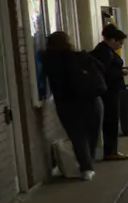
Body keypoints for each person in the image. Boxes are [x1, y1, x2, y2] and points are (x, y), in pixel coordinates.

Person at [45, 31, 105, 180]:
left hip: (66, 104)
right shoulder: (80, 56)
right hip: (90, 100)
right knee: (92, 133)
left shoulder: (49, 62)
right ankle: (88, 162)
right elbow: (101, 68)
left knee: (77, 136)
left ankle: (86, 168)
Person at [90, 25, 128, 161]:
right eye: (120, 43)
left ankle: (111, 150)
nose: (121, 46)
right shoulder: (104, 52)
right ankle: (110, 151)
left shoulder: (104, 50)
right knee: (111, 121)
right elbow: (106, 71)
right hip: (109, 91)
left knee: (111, 120)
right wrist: (121, 72)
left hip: (110, 90)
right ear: (113, 40)